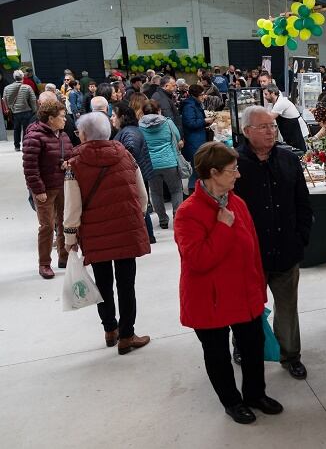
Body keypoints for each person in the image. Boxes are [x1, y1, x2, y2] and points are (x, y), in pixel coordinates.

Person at [174, 141, 283, 424]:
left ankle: (255, 394)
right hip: (209, 299)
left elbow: (253, 249)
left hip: (243, 293)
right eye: (232, 170)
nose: (238, 175)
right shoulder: (188, 212)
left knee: (252, 345)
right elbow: (197, 260)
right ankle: (232, 402)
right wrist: (223, 226)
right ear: (213, 172)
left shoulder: (237, 202)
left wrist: (258, 287)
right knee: (218, 353)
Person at [234, 107, 312, 380]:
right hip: (250, 255)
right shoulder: (234, 164)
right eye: (263, 127)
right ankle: (244, 348)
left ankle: (291, 355)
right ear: (246, 131)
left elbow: (302, 201)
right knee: (247, 308)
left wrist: (302, 235)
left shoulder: (288, 159)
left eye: (273, 126)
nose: (271, 131)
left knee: (288, 306)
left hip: (286, 248)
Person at [63, 112, 151, 354]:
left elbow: (72, 206)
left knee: (102, 284)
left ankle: (110, 330)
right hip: (126, 231)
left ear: (83, 135)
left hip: (95, 235)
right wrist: (136, 218)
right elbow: (142, 195)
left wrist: (70, 238)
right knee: (126, 284)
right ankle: (127, 335)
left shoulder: (74, 164)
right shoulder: (125, 155)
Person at [22, 100, 74, 279]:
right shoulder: (34, 137)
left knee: (64, 222)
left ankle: (64, 256)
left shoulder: (63, 135)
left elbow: (70, 155)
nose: (65, 119)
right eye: (61, 116)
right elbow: (30, 167)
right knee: (46, 226)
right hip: (45, 190)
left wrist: (68, 163)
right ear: (51, 118)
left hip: (62, 186)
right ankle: (44, 263)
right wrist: (38, 190)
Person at [112, 103, 156, 244]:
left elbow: (131, 149)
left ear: (122, 117)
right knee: (139, 204)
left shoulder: (129, 132)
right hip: (136, 172)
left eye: (114, 115)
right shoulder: (128, 130)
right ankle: (148, 235)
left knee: (139, 205)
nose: (111, 118)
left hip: (135, 174)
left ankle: (148, 236)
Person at [139, 100, 184, 229]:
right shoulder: (167, 123)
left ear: (143, 112)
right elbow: (177, 135)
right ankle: (178, 217)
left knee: (156, 193)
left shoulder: (140, 126)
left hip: (151, 164)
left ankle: (163, 219)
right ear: (158, 110)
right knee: (176, 190)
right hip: (169, 161)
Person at [182, 84, 215, 191]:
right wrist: (205, 121)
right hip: (194, 140)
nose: (204, 96)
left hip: (199, 137)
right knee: (197, 165)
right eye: (202, 94)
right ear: (195, 95)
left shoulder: (195, 104)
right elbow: (190, 123)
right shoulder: (189, 106)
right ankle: (194, 189)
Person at [264, 84, 308, 151]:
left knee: (301, 154)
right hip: (291, 134)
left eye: (266, 94)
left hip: (300, 133)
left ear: (272, 93)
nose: (264, 97)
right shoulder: (273, 104)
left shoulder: (280, 103)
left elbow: (269, 119)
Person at [4, 69, 38, 150]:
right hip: (26, 111)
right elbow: (33, 100)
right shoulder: (27, 87)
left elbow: (4, 99)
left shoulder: (7, 88)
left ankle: (16, 146)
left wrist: (9, 108)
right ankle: (25, 145)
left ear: (14, 77)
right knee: (26, 129)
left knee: (16, 129)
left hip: (15, 112)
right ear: (22, 77)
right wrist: (34, 110)